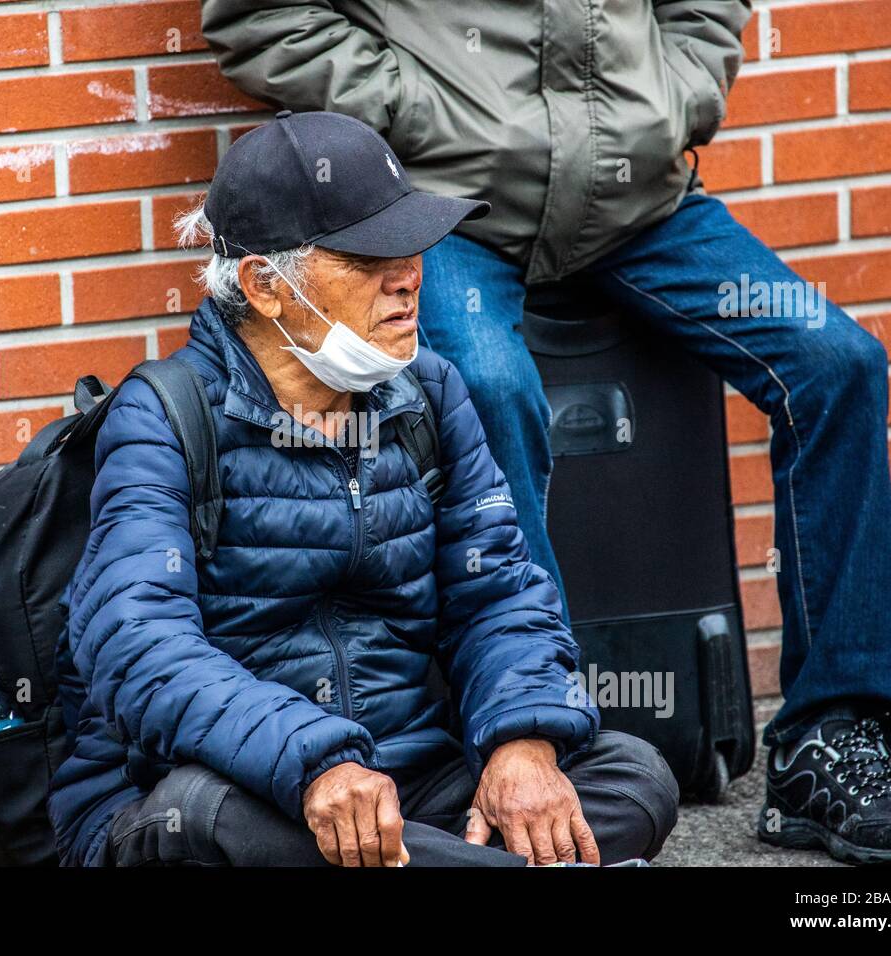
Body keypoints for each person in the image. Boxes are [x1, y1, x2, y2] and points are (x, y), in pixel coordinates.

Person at [200, 0, 891, 865]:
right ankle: (529, 744)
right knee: (486, 389)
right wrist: (422, 107)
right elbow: (258, 17)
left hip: (635, 196)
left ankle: (829, 741)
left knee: (837, 364)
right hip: (451, 198)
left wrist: (666, 101)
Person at [47, 110, 678, 867]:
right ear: (266, 286)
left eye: (410, 246)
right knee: (208, 823)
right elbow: (138, 646)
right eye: (366, 256)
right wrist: (314, 760)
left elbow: (499, 594)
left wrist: (521, 740)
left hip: (405, 776)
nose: (406, 275)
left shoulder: (429, 394)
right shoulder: (164, 412)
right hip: (229, 788)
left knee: (633, 777)